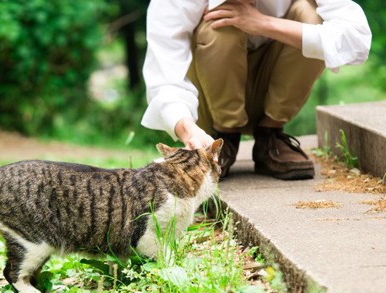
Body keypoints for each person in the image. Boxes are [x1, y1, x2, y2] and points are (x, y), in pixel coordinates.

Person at [141, 0, 371, 180]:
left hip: (272, 90)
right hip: (210, 96)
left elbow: (357, 40)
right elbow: (164, 74)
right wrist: (188, 130)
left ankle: (270, 137)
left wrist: (262, 23)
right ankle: (224, 139)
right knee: (220, 25)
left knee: (312, 15)